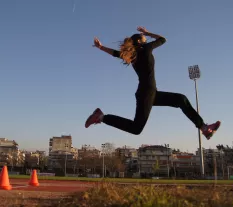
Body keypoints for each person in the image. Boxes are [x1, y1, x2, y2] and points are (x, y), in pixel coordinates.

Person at [85, 26, 221, 140]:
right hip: (146, 93)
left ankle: (204, 128)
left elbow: (116, 54)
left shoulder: (132, 54)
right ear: (140, 41)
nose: (147, 39)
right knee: (136, 128)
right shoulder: (145, 48)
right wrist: (148, 32)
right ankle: (101, 117)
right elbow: (163, 39)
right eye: (144, 38)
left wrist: (101, 47)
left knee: (181, 99)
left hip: (150, 93)